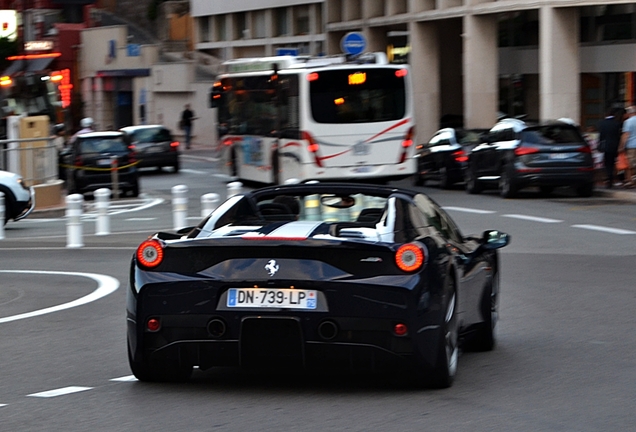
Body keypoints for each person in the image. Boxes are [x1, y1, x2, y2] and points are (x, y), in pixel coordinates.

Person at [598, 107, 622, 188]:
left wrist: (600, 145)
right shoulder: (617, 123)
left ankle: (608, 179)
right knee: (614, 163)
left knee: (607, 163)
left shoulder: (602, 123)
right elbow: (619, 135)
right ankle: (613, 178)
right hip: (615, 145)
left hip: (606, 146)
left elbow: (601, 136)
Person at [619, 105, 636, 188]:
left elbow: (626, 134)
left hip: (631, 146)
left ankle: (632, 181)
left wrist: (621, 146)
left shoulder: (628, 122)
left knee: (631, 164)